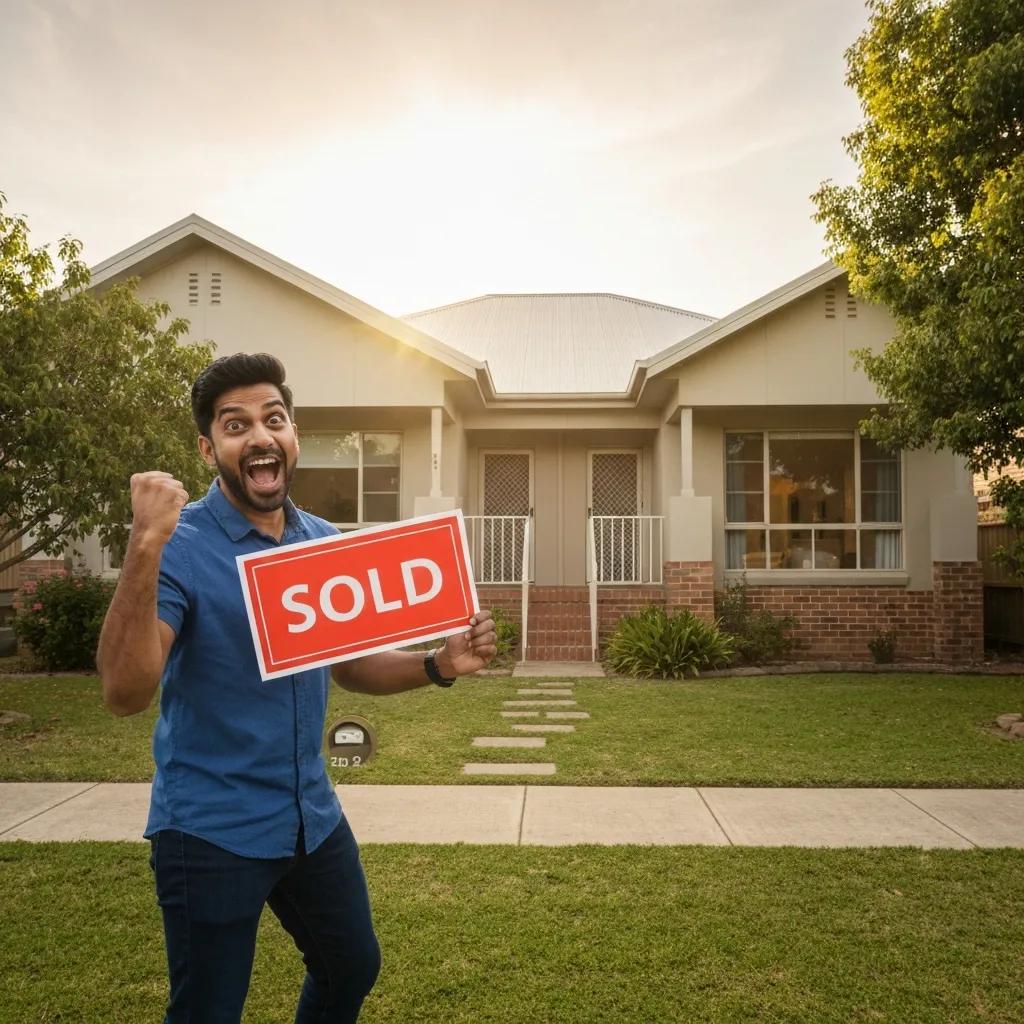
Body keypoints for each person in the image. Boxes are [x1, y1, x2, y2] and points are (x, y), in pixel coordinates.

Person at [97, 352, 497, 1023]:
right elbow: (125, 692)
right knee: (208, 1010)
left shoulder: (318, 542)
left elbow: (350, 664)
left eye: (273, 419)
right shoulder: (180, 546)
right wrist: (143, 546)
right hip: (211, 828)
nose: (259, 435)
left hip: (310, 817)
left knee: (351, 964)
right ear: (209, 448)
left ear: (293, 436)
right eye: (235, 425)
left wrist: (437, 664)